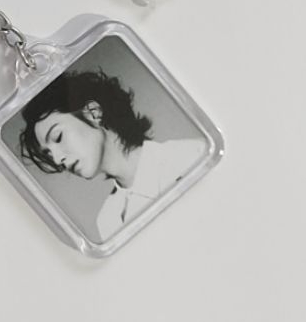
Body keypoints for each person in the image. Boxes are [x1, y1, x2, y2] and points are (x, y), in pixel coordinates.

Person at [19, 70, 204, 240]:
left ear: (93, 113)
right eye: (49, 153)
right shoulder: (107, 219)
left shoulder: (190, 157)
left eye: (58, 137)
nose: (58, 159)